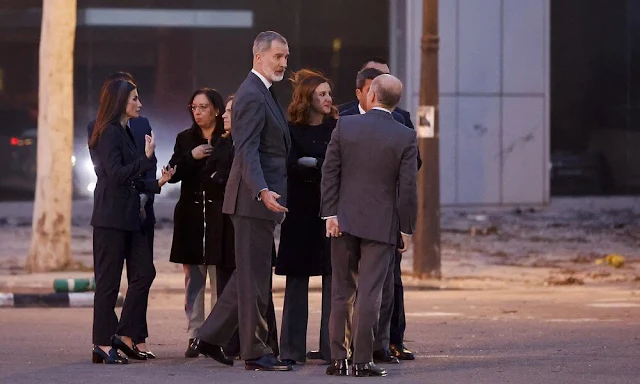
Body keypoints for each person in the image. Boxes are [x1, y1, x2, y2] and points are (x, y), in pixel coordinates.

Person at [191, 31, 293, 372]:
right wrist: (262, 191)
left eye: (285, 56)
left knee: (247, 276)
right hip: (253, 202)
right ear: (258, 57)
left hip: (259, 202)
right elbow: (246, 149)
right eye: (278, 56)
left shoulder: (263, 92)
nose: (283, 62)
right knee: (254, 281)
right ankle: (255, 351)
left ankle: (209, 336)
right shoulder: (251, 94)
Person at [321, 74, 417, 377]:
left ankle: (338, 359)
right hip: (382, 224)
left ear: (371, 95)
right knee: (370, 294)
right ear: (396, 101)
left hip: (344, 220)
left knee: (341, 291)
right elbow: (408, 188)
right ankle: (362, 360)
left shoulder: (345, 126)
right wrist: (406, 228)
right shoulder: (405, 136)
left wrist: (330, 214)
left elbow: (330, 172)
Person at [89, 79, 175, 364]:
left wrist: (158, 181)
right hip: (110, 218)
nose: (140, 104)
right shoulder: (109, 132)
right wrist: (146, 158)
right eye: (134, 99)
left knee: (144, 273)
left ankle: (123, 335)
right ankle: (102, 343)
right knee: (108, 283)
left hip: (130, 218)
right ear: (120, 102)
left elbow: (133, 180)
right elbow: (115, 175)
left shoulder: (125, 131)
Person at [165, 88, 234, 357]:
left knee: (219, 280)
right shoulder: (185, 138)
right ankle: (195, 334)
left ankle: (216, 336)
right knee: (194, 280)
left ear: (216, 109)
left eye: (203, 107)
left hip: (219, 217)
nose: (198, 112)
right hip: (191, 218)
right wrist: (190, 157)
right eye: (194, 107)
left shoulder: (226, 137)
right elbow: (172, 174)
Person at [275, 69, 337, 365]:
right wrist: (307, 167)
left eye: (328, 93)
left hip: (329, 211)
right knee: (296, 281)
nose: (328, 98)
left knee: (332, 278)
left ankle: (331, 348)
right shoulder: (291, 130)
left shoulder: (336, 128)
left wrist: (315, 164)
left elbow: (339, 164)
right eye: (322, 94)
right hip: (299, 211)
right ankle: (290, 350)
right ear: (307, 98)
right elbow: (286, 165)